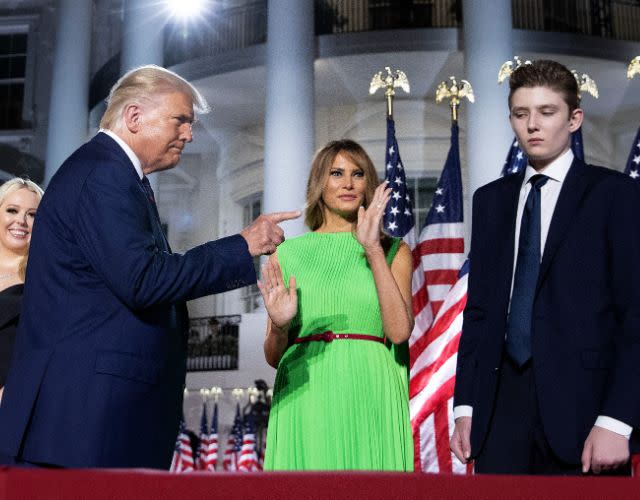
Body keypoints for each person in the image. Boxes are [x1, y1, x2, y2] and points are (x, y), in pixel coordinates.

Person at [0, 65, 299, 469]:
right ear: (134, 117)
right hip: (85, 423)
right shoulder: (103, 174)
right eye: (181, 120)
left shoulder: (115, 175)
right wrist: (241, 245)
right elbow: (142, 280)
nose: (189, 134)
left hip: (92, 419)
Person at [450, 59, 640, 475]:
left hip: (587, 414)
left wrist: (617, 419)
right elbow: (479, 314)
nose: (532, 125)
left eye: (546, 112)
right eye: (521, 114)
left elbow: (636, 315)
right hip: (498, 413)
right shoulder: (490, 201)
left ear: (574, 119)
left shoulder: (615, 195)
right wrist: (464, 405)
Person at [259, 139, 414, 471]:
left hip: (369, 386)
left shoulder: (394, 251)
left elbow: (399, 332)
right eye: (336, 173)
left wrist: (372, 249)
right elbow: (273, 356)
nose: (348, 183)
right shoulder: (287, 253)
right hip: (305, 389)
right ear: (319, 182)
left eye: (358, 174)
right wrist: (282, 326)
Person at [0, 178, 43, 404]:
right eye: (12, 210)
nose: (21, 221)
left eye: (33, 214)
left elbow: (44, 351)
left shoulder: (44, 280)